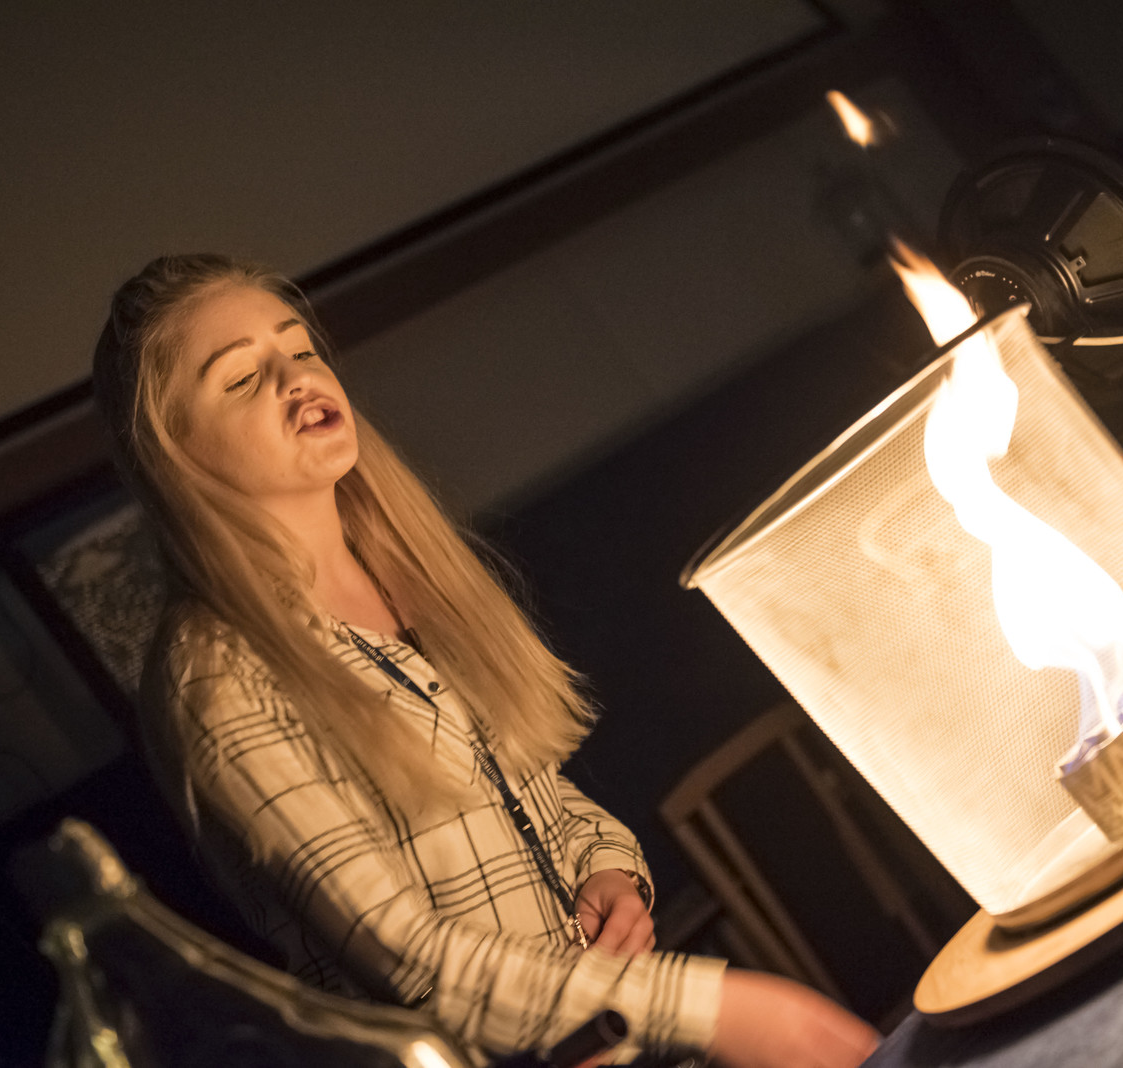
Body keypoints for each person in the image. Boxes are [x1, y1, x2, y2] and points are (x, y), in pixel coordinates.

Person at [91, 254, 881, 1067]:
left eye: (299, 348)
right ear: (177, 452)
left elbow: (533, 791)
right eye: (242, 378)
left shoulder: (403, 569)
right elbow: (404, 956)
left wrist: (608, 869)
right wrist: (719, 1009)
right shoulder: (216, 672)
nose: (296, 378)